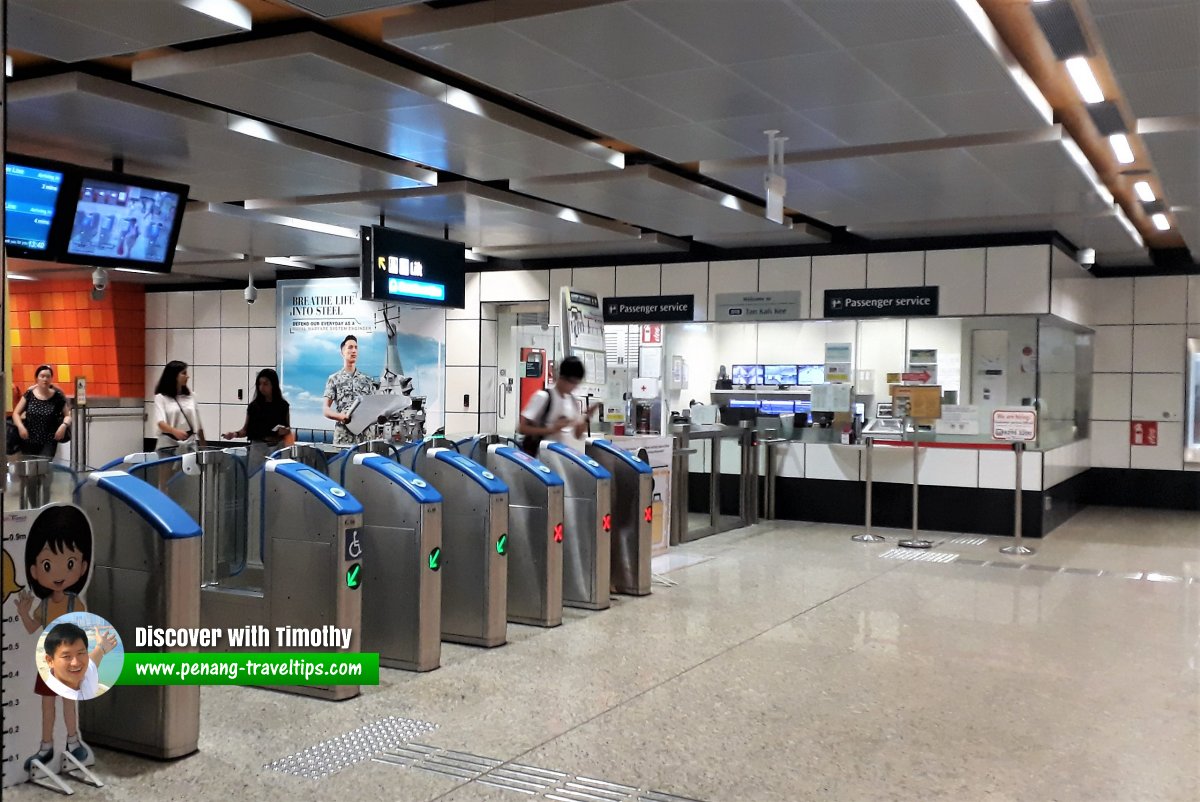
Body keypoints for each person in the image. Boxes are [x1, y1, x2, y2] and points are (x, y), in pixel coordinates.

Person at [15, 506, 94, 770]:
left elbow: (85, 633)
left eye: (69, 563)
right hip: (48, 664)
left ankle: (73, 741)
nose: (59, 573)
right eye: (48, 564)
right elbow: (30, 628)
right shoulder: (45, 606)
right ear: (35, 570)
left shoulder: (76, 604)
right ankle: (46, 747)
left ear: (82, 566)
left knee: (69, 704)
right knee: (47, 706)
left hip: (69, 664)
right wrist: (23, 612)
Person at [11, 365, 72, 507]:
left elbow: (68, 416)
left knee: (44, 474)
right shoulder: (29, 394)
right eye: (42, 376)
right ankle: (34, 507)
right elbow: (16, 413)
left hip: (48, 442)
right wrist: (20, 427)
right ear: (36, 378)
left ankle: (44, 506)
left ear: (51, 379)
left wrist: (63, 426)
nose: (45, 379)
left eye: (48, 376)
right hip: (29, 441)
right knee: (31, 476)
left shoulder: (57, 397)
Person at [518, 355, 602, 453]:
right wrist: (552, 429)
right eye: (573, 382)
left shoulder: (572, 401)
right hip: (540, 457)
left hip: (560, 456)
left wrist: (587, 416)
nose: (575, 387)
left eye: (577, 383)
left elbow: (578, 434)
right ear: (562, 378)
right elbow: (522, 428)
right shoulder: (543, 397)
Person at [223, 368, 291, 466]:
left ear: (273, 385)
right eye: (260, 384)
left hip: (277, 448)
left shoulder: (283, 405)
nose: (261, 387)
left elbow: (288, 428)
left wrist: (285, 431)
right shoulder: (254, 407)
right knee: (256, 478)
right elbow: (246, 430)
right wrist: (234, 434)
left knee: (276, 478)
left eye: (265, 384)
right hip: (258, 448)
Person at [41, 622, 117, 702]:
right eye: (66, 656)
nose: (76, 663)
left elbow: (93, 659)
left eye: (80, 653)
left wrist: (101, 647)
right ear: (50, 661)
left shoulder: (86, 674)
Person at [323, 335, 377, 446]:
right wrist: (340, 416)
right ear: (342, 352)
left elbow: (375, 407)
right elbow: (325, 409)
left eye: (356, 348)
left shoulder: (367, 380)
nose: (354, 351)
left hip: (365, 439)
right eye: (350, 347)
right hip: (343, 438)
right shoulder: (334, 379)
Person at [153, 360, 206, 456]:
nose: (187, 376)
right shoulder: (161, 398)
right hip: (168, 442)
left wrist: (203, 446)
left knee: (192, 470)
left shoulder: (191, 396)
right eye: (184, 373)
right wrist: (174, 431)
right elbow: (160, 422)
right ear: (174, 376)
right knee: (167, 470)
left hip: (189, 441)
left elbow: (198, 424)